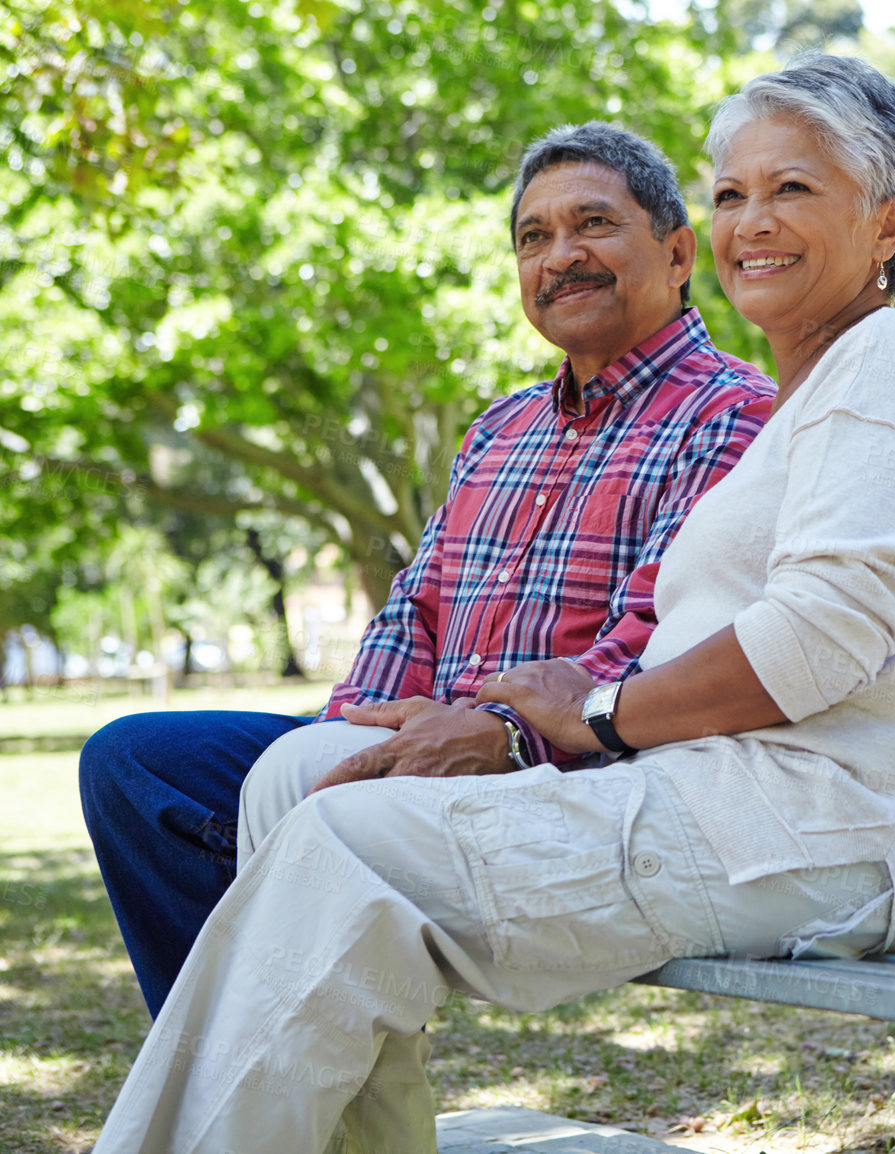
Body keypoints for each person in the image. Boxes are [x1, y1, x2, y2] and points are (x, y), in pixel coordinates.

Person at [92, 54, 895, 1154]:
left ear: (886, 225)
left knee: (344, 844)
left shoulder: (894, 359)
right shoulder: (813, 397)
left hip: (832, 834)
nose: (752, 221)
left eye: (793, 189)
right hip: (744, 805)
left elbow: (815, 639)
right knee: (313, 793)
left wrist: (589, 713)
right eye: (732, 192)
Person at [78, 122, 775, 1018]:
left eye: (593, 224)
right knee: (137, 763)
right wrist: (355, 729)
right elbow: (418, 606)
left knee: (295, 802)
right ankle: (251, 1077)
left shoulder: (732, 415)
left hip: (562, 775)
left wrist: (496, 730)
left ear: (678, 252)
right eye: (533, 238)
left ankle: (237, 1098)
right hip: (419, 740)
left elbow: (654, 639)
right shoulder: (501, 427)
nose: (561, 256)